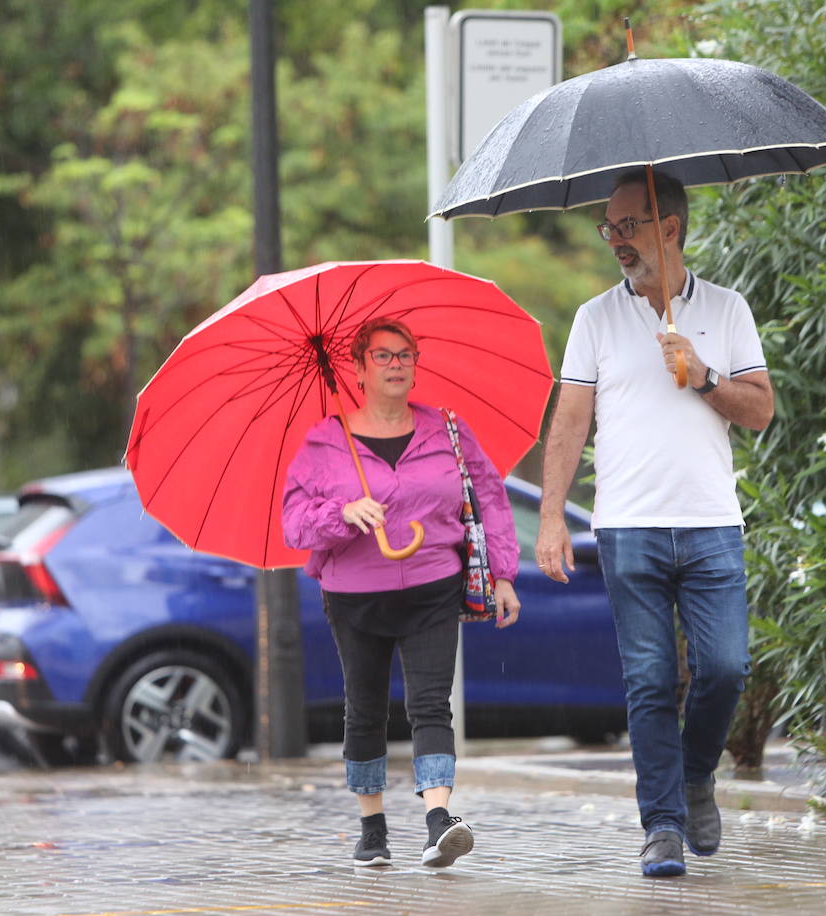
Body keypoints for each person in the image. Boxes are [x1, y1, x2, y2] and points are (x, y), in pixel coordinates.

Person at [535, 170, 775, 878]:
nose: (614, 240)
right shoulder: (595, 319)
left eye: (627, 226)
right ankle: (662, 826)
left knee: (726, 667)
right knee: (647, 681)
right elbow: (570, 420)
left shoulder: (728, 311)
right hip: (628, 527)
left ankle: (696, 775)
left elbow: (760, 409)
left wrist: (703, 376)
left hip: (710, 524)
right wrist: (551, 516)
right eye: (608, 228)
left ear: (669, 227)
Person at [282, 317, 522, 869]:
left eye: (405, 355)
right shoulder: (325, 441)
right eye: (383, 356)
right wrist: (341, 513)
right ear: (359, 368)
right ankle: (372, 827)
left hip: (433, 585)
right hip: (354, 595)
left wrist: (503, 573)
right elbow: (294, 524)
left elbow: (488, 497)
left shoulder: (448, 430)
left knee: (430, 703)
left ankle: (439, 819)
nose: (396, 365)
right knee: (365, 710)